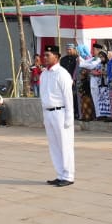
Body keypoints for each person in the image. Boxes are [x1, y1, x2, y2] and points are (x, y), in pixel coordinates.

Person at [38, 44, 76, 186]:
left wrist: (68, 119)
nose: (45, 58)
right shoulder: (44, 74)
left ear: (57, 57)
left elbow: (68, 98)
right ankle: (60, 173)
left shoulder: (62, 74)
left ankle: (68, 175)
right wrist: (44, 116)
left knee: (65, 145)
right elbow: (43, 96)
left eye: (48, 55)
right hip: (48, 113)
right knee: (54, 146)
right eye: (44, 55)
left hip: (60, 112)